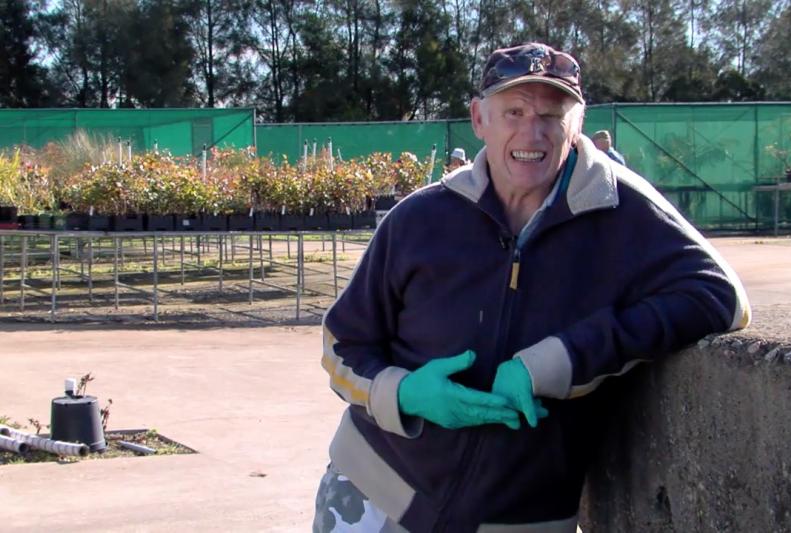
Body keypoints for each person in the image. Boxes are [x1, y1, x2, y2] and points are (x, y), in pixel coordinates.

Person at [315, 41, 750, 532]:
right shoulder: (419, 218)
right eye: (514, 112)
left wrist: (561, 359)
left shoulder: (624, 211)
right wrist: (403, 393)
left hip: (522, 521)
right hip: (369, 495)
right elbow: (342, 343)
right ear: (479, 119)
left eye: (551, 114)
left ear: (577, 123)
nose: (532, 132)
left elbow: (721, 296)